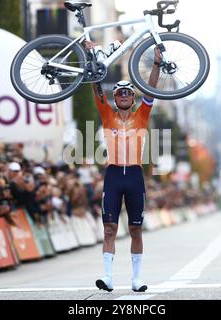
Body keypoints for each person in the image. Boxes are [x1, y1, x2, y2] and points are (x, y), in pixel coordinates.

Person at [85, 41, 161, 292]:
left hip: (135, 176)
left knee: (136, 229)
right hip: (114, 174)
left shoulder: (142, 115)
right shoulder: (107, 115)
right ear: (115, 98)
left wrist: (157, 63)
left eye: (128, 93)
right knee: (109, 228)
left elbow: (150, 87)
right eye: (120, 93)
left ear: (132, 98)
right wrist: (90, 54)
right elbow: (96, 87)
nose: (125, 96)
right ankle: (107, 278)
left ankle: (136, 279)